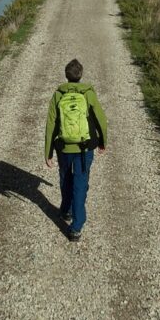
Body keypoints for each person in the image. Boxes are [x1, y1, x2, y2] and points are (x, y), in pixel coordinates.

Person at [44, 58, 108, 240]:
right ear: (80, 75)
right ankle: (76, 227)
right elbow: (101, 120)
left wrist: (47, 152)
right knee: (80, 183)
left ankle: (66, 210)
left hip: (63, 148)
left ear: (66, 75)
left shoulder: (58, 95)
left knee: (65, 179)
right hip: (84, 148)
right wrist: (103, 141)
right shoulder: (88, 93)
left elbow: (51, 126)